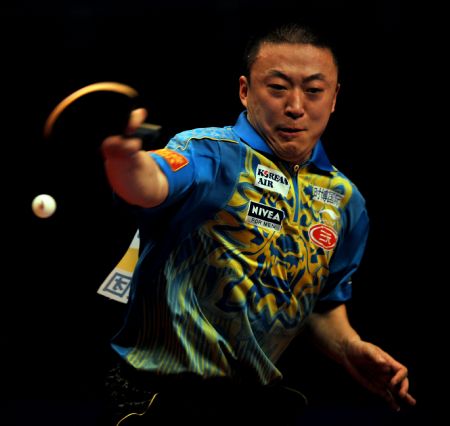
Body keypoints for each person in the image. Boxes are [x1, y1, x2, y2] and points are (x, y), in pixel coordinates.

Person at [99, 22, 416, 425]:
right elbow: (149, 182)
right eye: (278, 87)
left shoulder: (345, 200)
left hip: (255, 406)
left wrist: (349, 346)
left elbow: (322, 306)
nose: (296, 106)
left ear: (334, 98)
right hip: (159, 401)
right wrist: (124, 159)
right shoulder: (208, 154)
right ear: (245, 90)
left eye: (314, 91)